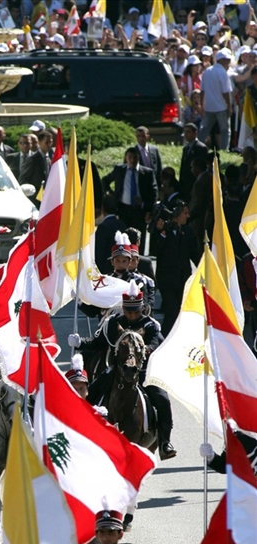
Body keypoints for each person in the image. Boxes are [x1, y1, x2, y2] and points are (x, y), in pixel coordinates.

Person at [70, 282, 177, 460]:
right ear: (123, 308)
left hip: (142, 372)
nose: (132, 315)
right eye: (128, 312)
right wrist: (80, 342)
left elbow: (157, 343)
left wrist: (144, 350)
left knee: (162, 399)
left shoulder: (151, 325)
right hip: (117, 370)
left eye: (135, 312)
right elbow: (98, 342)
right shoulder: (113, 323)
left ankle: (165, 441)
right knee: (92, 392)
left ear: (142, 308)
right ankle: (81, 431)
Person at [150, 199, 200, 336]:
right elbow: (154, 250)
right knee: (171, 311)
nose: (187, 216)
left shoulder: (188, 231)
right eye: (185, 213)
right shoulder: (161, 231)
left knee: (182, 312)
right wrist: (162, 234)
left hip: (183, 280)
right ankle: (164, 339)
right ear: (176, 214)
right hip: (167, 281)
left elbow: (195, 254)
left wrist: (204, 269)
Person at [101, 146, 157, 241]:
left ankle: (138, 255)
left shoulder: (147, 173)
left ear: (138, 158)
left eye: (135, 157)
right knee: (123, 237)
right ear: (126, 158)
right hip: (123, 209)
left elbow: (154, 193)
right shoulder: (119, 170)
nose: (132, 160)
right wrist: (111, 193)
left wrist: (148, 208)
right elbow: (105, 180)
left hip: (139, 211)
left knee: (139, 238)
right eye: (130, 157)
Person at [199, 48, 233, 150]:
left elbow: (202, 91)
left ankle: (197, 147)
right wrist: (229, 107)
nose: (229, 62)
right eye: (227, 60)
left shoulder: (207, 71)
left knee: (205, 129)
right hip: (221, 107)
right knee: (225, 130)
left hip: (209, 106)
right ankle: (224, 150)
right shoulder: (223, 73)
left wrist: (202, 104)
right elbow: (226, 92)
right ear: (222, 60)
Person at [19, 129, 53, 200]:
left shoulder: (50, 158)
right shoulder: (33, 159)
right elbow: (23, 179)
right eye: (46, 142)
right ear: (39, 142)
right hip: (36, 199)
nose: (49, 145)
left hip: (47, 198)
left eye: (50, 142)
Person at [179, 123, 209, 203]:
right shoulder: (186, 148)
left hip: (195, 182)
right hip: (186, 184)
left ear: (195, 133)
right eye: (185, 132)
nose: (186, 135)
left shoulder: (201, 148)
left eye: (188, 132)